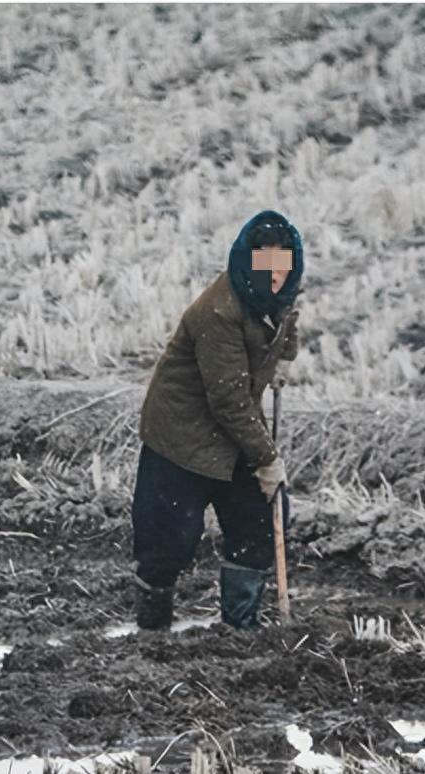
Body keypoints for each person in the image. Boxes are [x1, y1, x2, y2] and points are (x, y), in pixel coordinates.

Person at [131, 209, 303, 631]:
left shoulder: (276, 294)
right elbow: (227, 401)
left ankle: (239, 631)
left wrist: (285, 355)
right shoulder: (219, 312)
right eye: (268, 267)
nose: (277, 279)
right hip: (182, 436)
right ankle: (153, 633)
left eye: (284, 267)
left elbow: (288, 317)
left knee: (260, 520)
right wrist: (266, 458)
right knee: (169, 541)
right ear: (248, 263)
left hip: (232, 430)